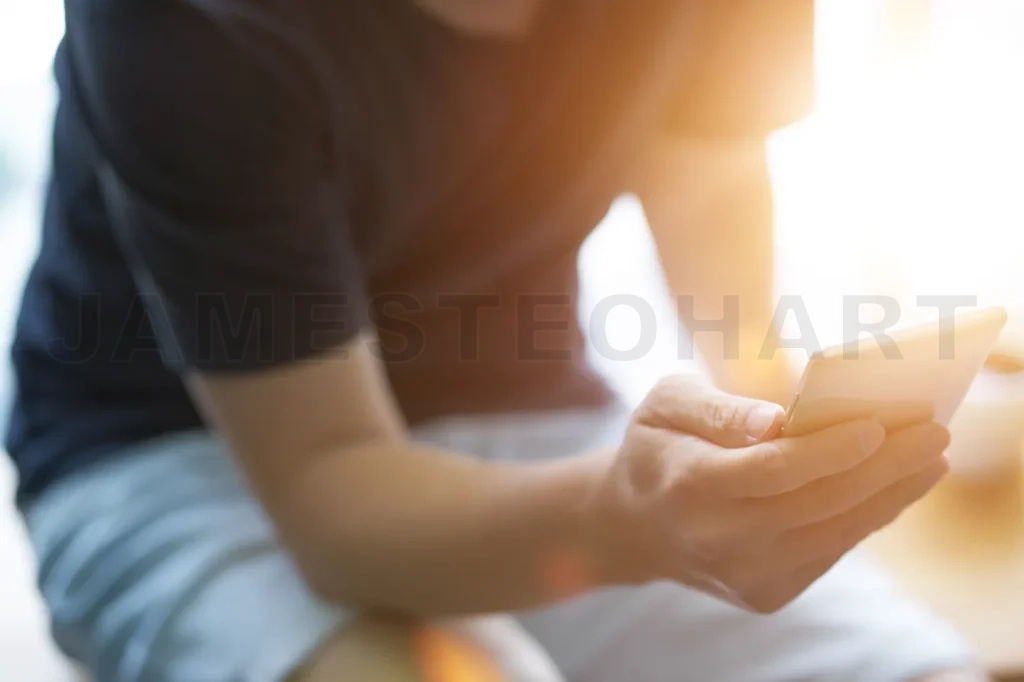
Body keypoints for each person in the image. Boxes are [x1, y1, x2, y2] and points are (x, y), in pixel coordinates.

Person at [6, 1, 984, 680]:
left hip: (527, 405)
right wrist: (625, 522)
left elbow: (707, 177)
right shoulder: (195, 24)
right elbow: (331, 492)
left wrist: (770, 428)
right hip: (171, 456)